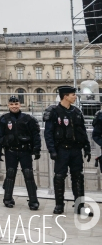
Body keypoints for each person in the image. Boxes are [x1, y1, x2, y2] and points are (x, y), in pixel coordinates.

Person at [43, 85, 92, 215]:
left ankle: (80, 206)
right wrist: (52, 150)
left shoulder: (76, 112)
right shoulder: (54, 112)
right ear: (65, 96)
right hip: (61, 150)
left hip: (76, 150)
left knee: (78, 177)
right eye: (73, 95)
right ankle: (59, 205)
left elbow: (82, 131)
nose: (75, 97)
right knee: (59, 177)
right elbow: (48, 133)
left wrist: (86, 147)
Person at [0, 95, 41, 210]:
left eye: (16, 104)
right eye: (11, 104)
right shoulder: (4, 119)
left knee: (28, 175)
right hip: (10, 151)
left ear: (20, 105)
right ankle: (7, 199)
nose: (14, 106)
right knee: (10, 175)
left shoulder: (27, 119)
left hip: (25, 151)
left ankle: (33, 201)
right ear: (8, 105)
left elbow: (36, 135)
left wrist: (37, 149)